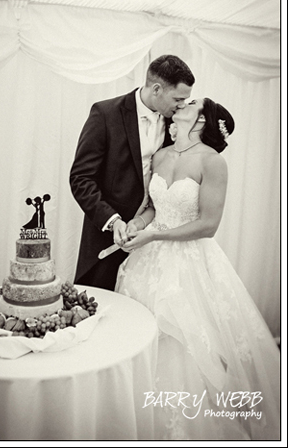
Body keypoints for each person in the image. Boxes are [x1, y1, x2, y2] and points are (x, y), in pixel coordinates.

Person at [115, 98, 280, 440]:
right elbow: (149, 208)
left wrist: (153, 235)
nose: (183, 103)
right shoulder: (160, 156)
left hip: (190, 263)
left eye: (191, 102)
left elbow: (208, 225)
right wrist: (135, 225)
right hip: (148, 258)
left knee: (184, 341)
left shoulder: (213, 162)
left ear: (203, 120)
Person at [70, 55, 195, 290]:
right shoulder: (105, 114)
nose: (182, 106)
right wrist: (113, 221)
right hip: (110, 236)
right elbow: (81, 178)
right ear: (157, 89)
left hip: (157, 238)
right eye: (178, 99)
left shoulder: (177, 122)